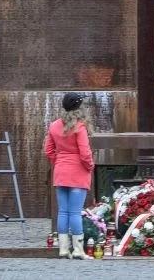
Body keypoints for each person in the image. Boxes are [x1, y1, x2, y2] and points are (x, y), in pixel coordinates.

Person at [44, 92, 94, 260]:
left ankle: (63, 249)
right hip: (78, 173)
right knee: (75, 212)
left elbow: (48, 150)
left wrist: (59, 162)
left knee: (63, 212)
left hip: (60, 172)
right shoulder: (79, 127)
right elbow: (85, 152)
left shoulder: (54, 126)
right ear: (79, 108)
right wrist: (89, 166)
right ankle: (78, 250)